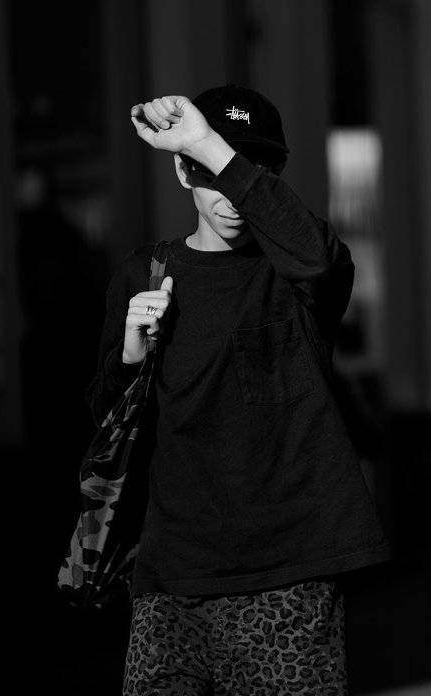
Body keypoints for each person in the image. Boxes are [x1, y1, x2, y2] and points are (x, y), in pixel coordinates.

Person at [90, 86, 389, 695]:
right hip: (170, 580)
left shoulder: (297, 274)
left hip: (289, 580)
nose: (228, 195)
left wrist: (207, 143)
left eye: (246, 169)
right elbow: (104, 423)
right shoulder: (143, 273)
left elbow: (321, 259)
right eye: (206, 171)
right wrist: (130, 357)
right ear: (182, 173)